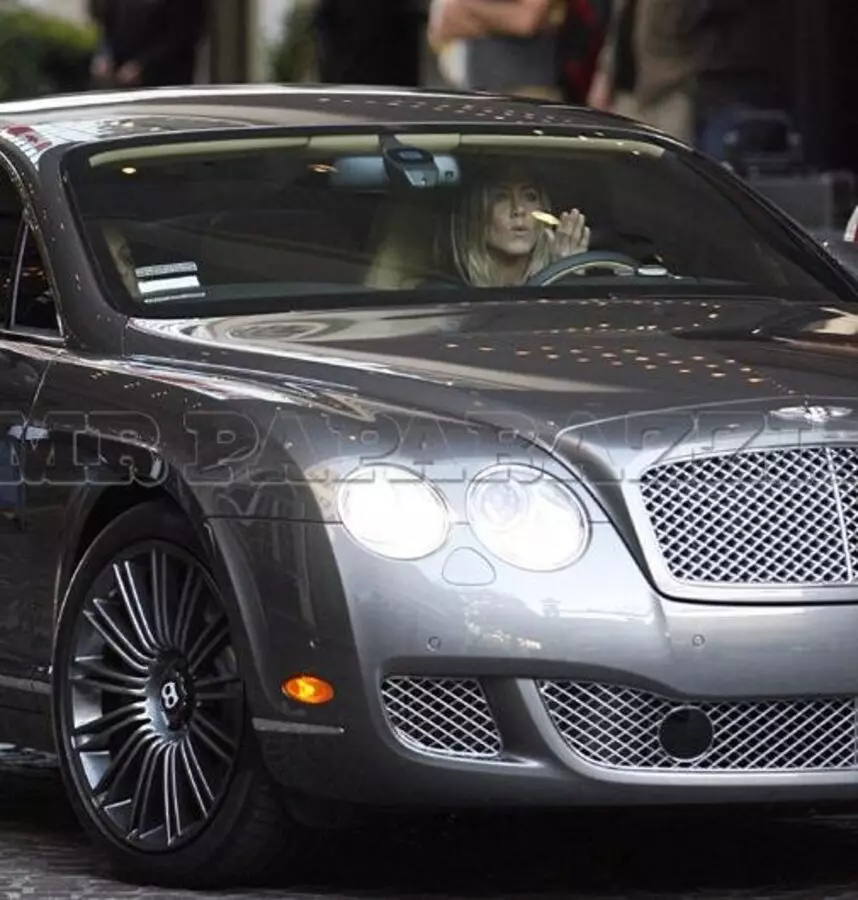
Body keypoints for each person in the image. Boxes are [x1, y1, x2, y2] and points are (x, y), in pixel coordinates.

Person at [446, 168, 590, 286]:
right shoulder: (449, 292)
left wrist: (568, 272)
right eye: (500, 197)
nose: (519, 209)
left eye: (530, 197)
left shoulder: (564, 281)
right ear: (475, 213)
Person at [88, 0, 207, 89]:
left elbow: (183, 36)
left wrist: (142, 66)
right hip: (122, 82)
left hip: (165, 84)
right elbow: (109, 26)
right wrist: (105, 54)